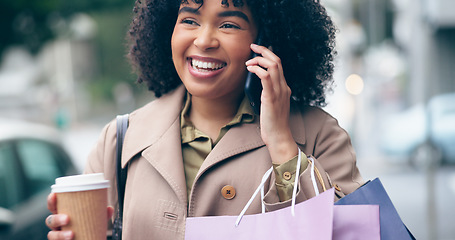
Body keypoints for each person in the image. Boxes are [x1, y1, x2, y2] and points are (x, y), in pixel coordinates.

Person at [46, 0, 364, 239]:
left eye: (228, 25)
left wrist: (282, 142)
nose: (204, 40)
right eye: (189, 20)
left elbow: (347, 231)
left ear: (268, 41)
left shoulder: (320, 135)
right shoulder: (121, 139)